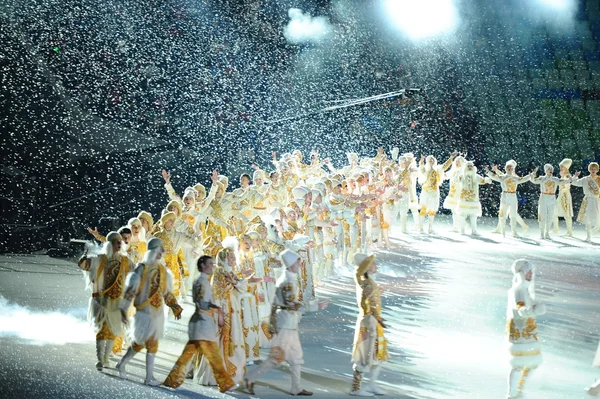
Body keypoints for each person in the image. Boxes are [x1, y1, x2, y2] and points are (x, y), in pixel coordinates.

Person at [244, 249, 327, 396]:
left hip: (288, 323)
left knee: (295, 357)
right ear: (290, 264)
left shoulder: (289, 279)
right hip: (286, 324)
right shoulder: (288, 282)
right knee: (276, 357)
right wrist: (314, 306)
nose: (300, 263)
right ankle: (250, 378)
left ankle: (296, 388)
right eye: (297, 261)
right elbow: (291, 305)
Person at [163, 255, 238, 393]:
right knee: (212, 355)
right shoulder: (200, 282)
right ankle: (225, 383)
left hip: (203, 322)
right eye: (210, 264)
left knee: (190, 355)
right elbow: (201, 303)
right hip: (202, 322)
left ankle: (172, 379)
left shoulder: (204, 282)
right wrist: (217, 309)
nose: (213, 266)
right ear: (203, 265)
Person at [115, 238, 184, 386]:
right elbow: (130, 292)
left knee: (146, 343)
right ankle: (146, 377)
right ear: (153, 250)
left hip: (157, 314)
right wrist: (123, 309)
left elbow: (167, 293)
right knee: (143, 343)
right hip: (144, 313)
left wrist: (175, 306)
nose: (162, 253)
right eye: (160, 249)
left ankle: (134, 370)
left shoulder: (163, 271)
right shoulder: (141, 269)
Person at [77, 231, 132, 371]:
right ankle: (100, 359)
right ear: (110, 244)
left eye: (121, 242)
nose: (120, 244)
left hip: (117, 301)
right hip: (101, 300)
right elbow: (84, 265)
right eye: (116, 242)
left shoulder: (126, 261)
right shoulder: (100, 259)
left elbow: (136, 273)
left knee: (113, 330)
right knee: (102, 330)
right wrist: (84, 258)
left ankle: (106, 358)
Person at [505, 259, 546, 399]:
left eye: (531, 271)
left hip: (527, 332)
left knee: (530, 363)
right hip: (520, 330)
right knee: (519, 364)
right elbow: (519, 307)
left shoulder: (526, 290)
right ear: (521, 273)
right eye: (528, 271)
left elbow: (528, 306)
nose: (530, 274)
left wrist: (536, 307)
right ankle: (512, 394)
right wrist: (530, 310)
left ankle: (518, 391)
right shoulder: (517, 291)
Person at [350, 253, 389, 397]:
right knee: (364, 355)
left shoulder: (367, 281)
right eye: (373, 263)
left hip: (373, 322)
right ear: (366, 266)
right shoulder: (366, 283)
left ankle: (371, 384)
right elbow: (368, 303)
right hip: (369, 322)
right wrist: (378, 317)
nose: (376, 265)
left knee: (376, 356)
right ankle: (355, 388)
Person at [571, 162, 600, 242]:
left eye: (594, 169)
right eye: (591, 169)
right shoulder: (585, 179)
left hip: (597, 200)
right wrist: (575, 176)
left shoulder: (599, 179)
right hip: (588, 200)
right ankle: (588, 236)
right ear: (589, 169)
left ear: (597, 170)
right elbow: (575, 183)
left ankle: (596, 229)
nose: (593, 170)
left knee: (598, 218)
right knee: (588, 219)